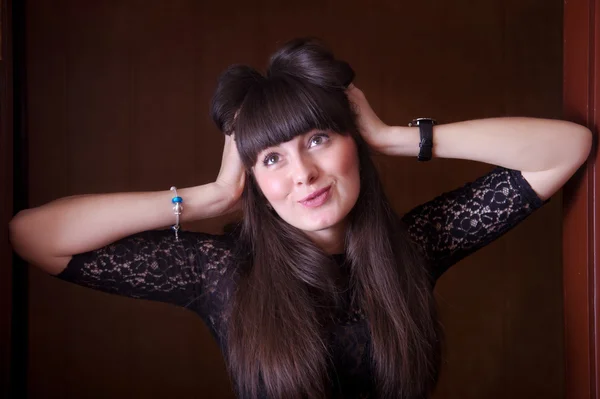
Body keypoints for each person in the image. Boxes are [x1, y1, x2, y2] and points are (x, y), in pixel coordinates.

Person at [9, 37, 592, 399]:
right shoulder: (225, 276)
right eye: (271, 157)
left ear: (352, 141)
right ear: (254, 178)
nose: (303, 174)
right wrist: (211, 196)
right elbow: (34, 236)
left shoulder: (412, 245)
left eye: (317, 138)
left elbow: (565, 149)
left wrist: (392, 137)